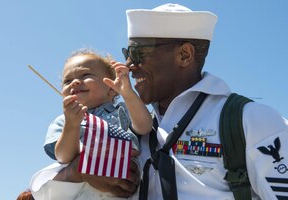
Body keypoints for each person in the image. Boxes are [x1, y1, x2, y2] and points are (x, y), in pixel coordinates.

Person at [30, 3, 288, 200]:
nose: (129, 65)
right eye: (127, 54)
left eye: (138, 53)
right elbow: (43, 188)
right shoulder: (125, 122)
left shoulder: (248, 120)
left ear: (184, 55)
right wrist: (78, 171)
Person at [30, 49, 151, 200]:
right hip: (84, 192)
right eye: (67, 81)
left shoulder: (123, 110)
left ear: (111, 88)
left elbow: (145, 127)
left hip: (126, 189)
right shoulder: (63, 120)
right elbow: (63, 157)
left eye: (85, 75)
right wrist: (71, 126)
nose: (74, 82)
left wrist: (128, 93)